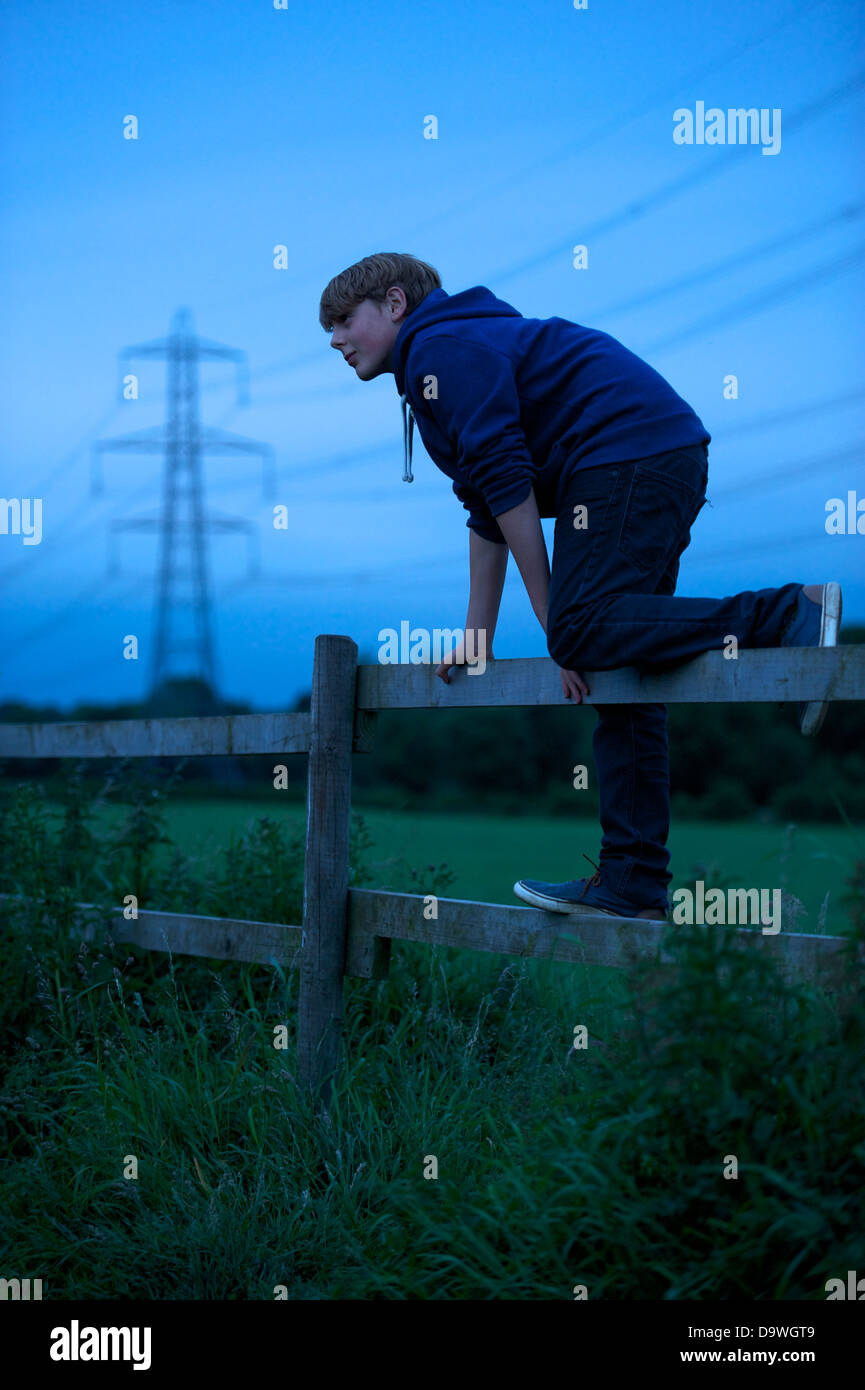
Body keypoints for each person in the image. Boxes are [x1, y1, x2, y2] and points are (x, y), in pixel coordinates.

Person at [319, 252, 842, 922]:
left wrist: (556, 624)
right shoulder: (439, 362)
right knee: (620, 670)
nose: (334, 339)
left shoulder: (440, 350)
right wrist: (477, 635)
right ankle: (632, 880)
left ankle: (783, 612)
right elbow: (484, 505)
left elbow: (508, 482)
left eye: (342, 320)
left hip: (627, 453)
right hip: (651, 454)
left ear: (394, 303)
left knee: (584, 629)